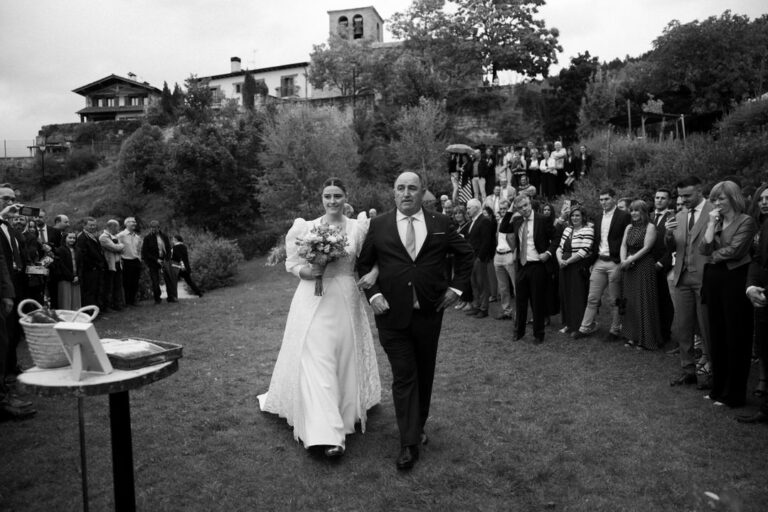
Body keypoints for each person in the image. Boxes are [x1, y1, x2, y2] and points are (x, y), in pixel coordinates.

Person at [358, 171, 474, 470]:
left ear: (423, 192)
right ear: (393, 193)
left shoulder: (441, 223)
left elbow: (466, 255)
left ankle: (418, 424)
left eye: (412, 188)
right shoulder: (379, 224)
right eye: (400, 188)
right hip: (391, 315)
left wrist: (456, 288)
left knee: (424, 373)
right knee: (404, 375)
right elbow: (364, 263)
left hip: (428, 313)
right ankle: (408, 444)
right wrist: (373, 294)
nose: (406, 193)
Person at [259, 177, 382, 458]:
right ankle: (326, 435)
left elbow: (373, 257)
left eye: (337, 195)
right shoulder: (307, 227)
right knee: (317, 360)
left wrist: (373, 272)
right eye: (327, 196)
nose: (332, 201)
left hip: (345, 298)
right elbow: (292, 264)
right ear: (322, 198)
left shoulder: (357, 228)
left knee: (343, 357)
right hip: (311, 301)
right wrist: (310, 272)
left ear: (345, 197)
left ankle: (346, 412)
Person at [700, 181, 757, 408]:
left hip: (735, 279)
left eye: (720, 198)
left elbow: (736, 250)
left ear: (733, 198)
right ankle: (718, 389)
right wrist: (711, 224)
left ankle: (734, 394)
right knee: (717, 333)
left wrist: (715, 255)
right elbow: (703, 248)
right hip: (714, 278)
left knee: (736, 335)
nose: (716, 203)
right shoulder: (715, 221)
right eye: (714, 199)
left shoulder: (746, 221)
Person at [666, 176, 714, 387]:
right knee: (683, 326)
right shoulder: (679, 215)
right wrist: (667, 234)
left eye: (687, 195)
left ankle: (710, 370)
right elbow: (673, 247)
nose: (683, 199)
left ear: (700, 190)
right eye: (680, 195)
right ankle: (688, 370)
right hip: (681, 276)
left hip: (705, 277)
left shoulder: (714, 211)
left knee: (706, 327)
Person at [572, 188, 631, 341]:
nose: (603, 202)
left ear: (613, 199)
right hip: (599, 261)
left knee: (614, 300)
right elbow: (596, 242)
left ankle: (615, 330)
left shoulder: (624, 216)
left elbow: (628, 240)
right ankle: (585, 327)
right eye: (601, 199)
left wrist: (623, 261)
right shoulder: (597, 218)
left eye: (606, 199)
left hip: (615, 262)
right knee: (592, 297)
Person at [508, 194, 557, 344]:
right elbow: (504, 227)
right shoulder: (517, 221)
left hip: (537, 266)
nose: (525, 209)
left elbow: (556, 238)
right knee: (520, 301)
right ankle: (519, 332)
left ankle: (538, 334)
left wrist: (548, 253)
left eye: (526, 205)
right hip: (522, 266)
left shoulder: (542, 219)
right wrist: (511, 210)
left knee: (537, 301)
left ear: (531, 204)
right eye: (521, 207)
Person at [740, 184, 768, 423]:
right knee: (763, 344)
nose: (765, 202)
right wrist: (750, 286)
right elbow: (757, 259)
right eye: (762, 199)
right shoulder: (760, 226)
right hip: (759, 293)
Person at [619, 200, 662, 349]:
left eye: (637, 210)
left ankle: (645, 338)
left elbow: (647, 247)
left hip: (643, 266)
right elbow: (623, 245)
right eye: (632, 210)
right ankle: (632, 336)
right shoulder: (629, 227)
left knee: (643, 301)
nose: (634, 213)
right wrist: (623, 260)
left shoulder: (650, 227)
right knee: (630, 302)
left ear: (644, 212)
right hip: (629, 268)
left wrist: (631, 259)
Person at [556, 206, 593, 334]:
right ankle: (568, 324)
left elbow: (584, 251)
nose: (574, 218)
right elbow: (559, 247)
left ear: (583, 217)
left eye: (577, 215)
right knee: (565, 294)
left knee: (577, 295)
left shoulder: (588, 230)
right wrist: (560, 260)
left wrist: (568, 261)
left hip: (577, 266)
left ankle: (578, 325)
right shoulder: (567, 229)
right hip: (563, 266)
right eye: (572, 215)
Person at [463, 199, 495, 318]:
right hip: (471, 257)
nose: (467, 211)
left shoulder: (484, 221)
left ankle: (484, 308)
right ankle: (476, 306)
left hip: (479, 258)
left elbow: (486, 241)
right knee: (474, 283)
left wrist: (480, 258)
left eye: (469, 208)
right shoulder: (473, 221)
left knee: (482, 283)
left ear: (476, 208)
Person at [141, 220, 177, 304]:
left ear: (158, 227)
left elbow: (168, 248)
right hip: (153, 262)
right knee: (155, 281)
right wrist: (156, 259)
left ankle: (171, 297)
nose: (153, 229)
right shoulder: (147, 238)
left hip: (164, 260)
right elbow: (145, 252)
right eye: (152, 228)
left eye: (155, 228)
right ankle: (157, 298)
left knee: (168, 279)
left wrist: (166, 259)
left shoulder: (164, 236)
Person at [494, 199, 516, 320]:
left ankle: (519, 312)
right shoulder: (498, 222)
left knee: (515, 285)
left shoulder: (513, 221)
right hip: (498, 255)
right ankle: (506, 310)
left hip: (509, 255)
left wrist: (514, 253)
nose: (503, 211)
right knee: (503, 287)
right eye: (501, 209)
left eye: (505, 209)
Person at [99, 220, 125, 312]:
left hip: (117, 263)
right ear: (112, 227)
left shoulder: (115, 236)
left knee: (117, 285)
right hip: (110, 265)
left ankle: (117, 305)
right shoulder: (103, 237)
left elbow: (121, 250)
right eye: (117, 227)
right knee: (109, 286)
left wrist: (119, 247)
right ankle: (106, 306)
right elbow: (115, 248)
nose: (118, 229)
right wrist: (121, 246)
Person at [117, 217, 142, 306]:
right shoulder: (121, 235)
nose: (135, 224)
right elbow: (118, 248)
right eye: (132, 222)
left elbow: (139, 249)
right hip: (126, 261)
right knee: (127, 282)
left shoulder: (137, 237)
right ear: (126, 223)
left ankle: (133, 301)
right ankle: (127, 302)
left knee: (135, 282)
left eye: (135, 222)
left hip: (136, 261)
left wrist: (139, 258)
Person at [54, 232, 81, 310]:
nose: (72, 240)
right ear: (65, 238)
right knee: (66, 300)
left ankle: (75, 317)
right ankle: (65, 318)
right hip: (65, 278)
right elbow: (62, 266)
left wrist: (78, 276)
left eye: (74, 238)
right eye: (70, 238)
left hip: (76, 279)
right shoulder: (60, 250)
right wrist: (71, 277)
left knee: (76, 300)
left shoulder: (78, 250)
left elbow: (81, 264)